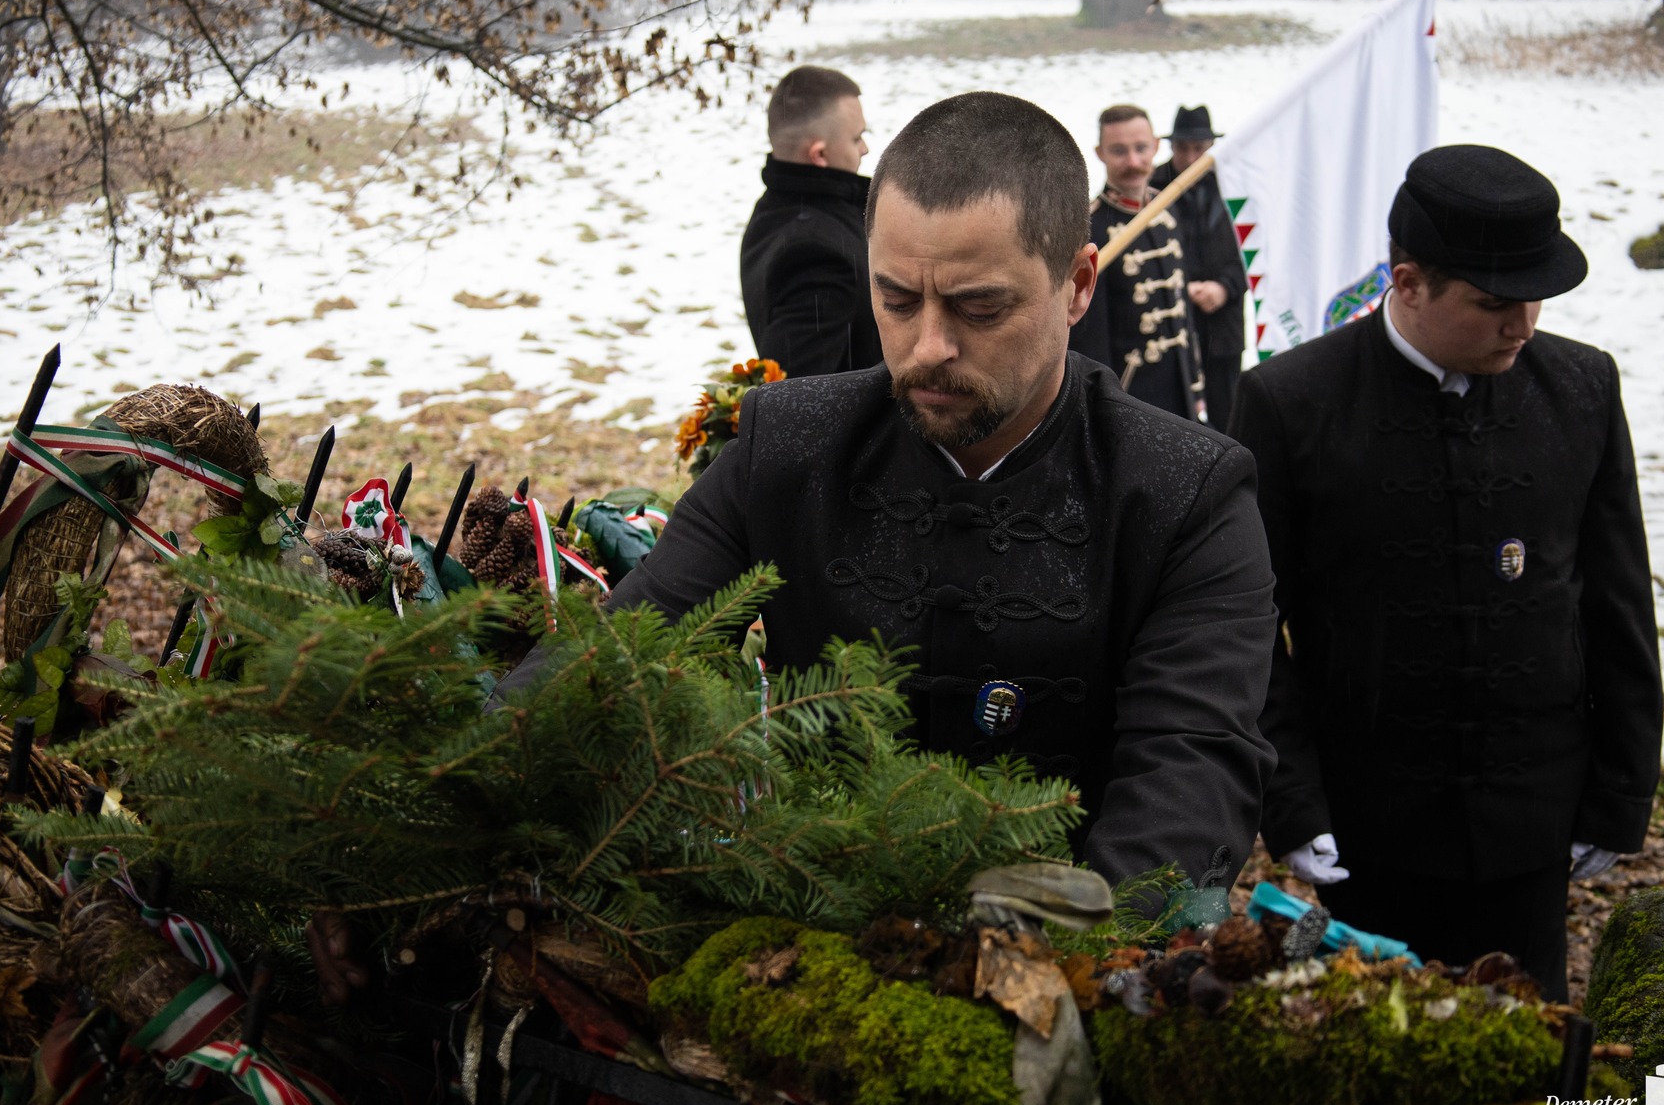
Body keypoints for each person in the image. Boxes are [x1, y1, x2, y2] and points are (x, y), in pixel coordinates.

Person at [514, 91, 1279, 896]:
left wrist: (1056, 963)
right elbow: (613, 661)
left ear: (1078, 284)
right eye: (897, 300)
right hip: (800, 945)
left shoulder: (1184, 493)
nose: (929, 347)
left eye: (979, 306)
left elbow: (1190, 776)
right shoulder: (787, 449)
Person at [1227, 144, 1662, 1001]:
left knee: (1520, 1067)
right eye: (1495, 303)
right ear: (1410, 281)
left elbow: (1618, 601)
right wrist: (1293, 801)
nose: (1523, 326)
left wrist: (1619, 789)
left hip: (1532, 820)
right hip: (1369, 828)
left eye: (1535, 299)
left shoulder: (1580, 387)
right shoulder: (1289, 403)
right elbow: (1247, 626)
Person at [1070, 104, 1204, 422]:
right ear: (1100, 153)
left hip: (1182, 389)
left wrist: (1196, 390)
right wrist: (1105, 407)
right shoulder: (1091, 229)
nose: (1133, 161)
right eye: (1119, 151)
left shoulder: (1168, 209)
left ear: (1156, 146)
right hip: (1131, 397)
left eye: (1141, 148)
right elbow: (1091, 338)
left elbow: (1183, 314)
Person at [739, 66, 875, 377]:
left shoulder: (774, 210)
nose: (865, 149)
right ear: (819, 154)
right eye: (857, 138)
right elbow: (799, 398)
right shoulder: (813, 252)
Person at [1149, 105, 1247, 423]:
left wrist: (1225, 287)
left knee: (1228, 413)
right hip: (1169, 319)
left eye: (1199, 149)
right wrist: (1182, 286)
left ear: (1212, 148)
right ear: (1171, 147)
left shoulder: (1237, 184)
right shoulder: (1152, 187)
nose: (1191, 159)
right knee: (1172, 412)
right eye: (1182, 149)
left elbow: (1254, 249)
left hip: (1224, 318)